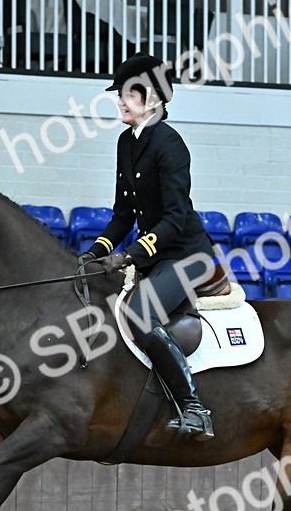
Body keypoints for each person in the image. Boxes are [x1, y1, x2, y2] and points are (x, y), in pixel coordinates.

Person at [79, 54, 217, 440]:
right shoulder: (127, 142)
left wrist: (130, 255)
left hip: (188, 255)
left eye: (128, 95)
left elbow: (173, 219)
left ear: (152, 99)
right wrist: (95, 252)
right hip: (156, 255)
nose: (119, 102)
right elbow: (123, 214)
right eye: (119, 95)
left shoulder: (171, 145)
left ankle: (194, 407)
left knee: (140, 314)